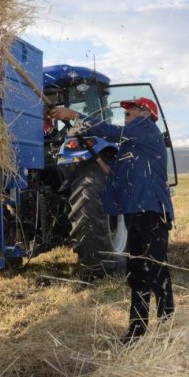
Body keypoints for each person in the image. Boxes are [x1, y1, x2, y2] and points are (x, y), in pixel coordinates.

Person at [48, 97, 174, 343]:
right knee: (137, 272)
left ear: (147, 113)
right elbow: (116, 172)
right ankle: (137, 331)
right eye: (126, 110)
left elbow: (111, 131)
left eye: (132, 109)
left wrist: (74, 115)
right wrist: (104, 167)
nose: (126, 113)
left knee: (156, 269)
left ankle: (167, 326)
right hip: (136, 213)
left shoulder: (145, 128)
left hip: (152, 212)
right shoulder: (133, 146)